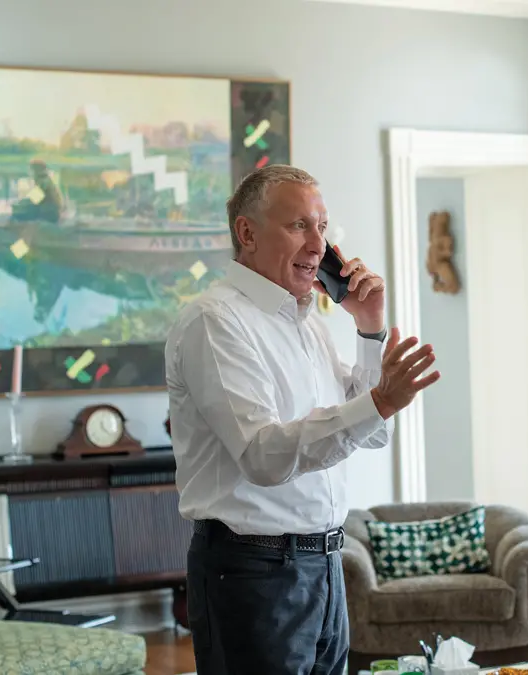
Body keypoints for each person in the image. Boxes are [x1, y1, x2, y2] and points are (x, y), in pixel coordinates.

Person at [164, 164, 440, 675]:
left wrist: (369, 328)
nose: (318, 246)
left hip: (325, 566)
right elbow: (263, 455)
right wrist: (378, 400)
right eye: (299, 226)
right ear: (246, 233)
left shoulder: (306, 323)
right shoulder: (215, 321)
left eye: (323, 228)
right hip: (252, 573)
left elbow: (373, 434)